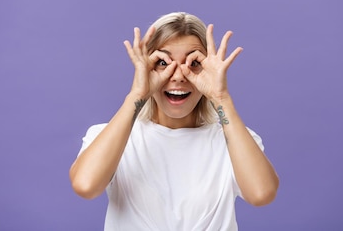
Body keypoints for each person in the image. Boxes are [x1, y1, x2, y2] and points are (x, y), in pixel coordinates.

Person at [68, 12, 279, 230]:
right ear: (146, 67)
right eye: (162, 62)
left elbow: (261, 194)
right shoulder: (111, 136)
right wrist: (137, 95)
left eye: (194, 62)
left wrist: (221, 98)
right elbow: (86, 186)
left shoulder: (234, 140)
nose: (178, 76)